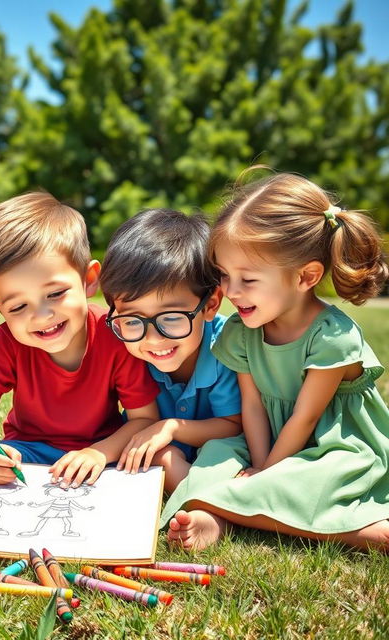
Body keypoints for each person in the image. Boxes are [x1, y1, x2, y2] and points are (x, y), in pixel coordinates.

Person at [162, 171, 389, 551]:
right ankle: (220, 515)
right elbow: (251, 405)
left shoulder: (332, 336)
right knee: (218, 453)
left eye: (248, 280)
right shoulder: (243, 331)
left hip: (331, 446)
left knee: (310, 478)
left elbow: (306, 418)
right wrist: (260, 463)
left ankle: (360, 532)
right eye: (224, 275)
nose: (231, 291)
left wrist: (265, 474)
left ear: (306, 277)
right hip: (265, 438)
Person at [0, 192, 159, 489]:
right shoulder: (9, 342)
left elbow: (144, 420)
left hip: (102, 457)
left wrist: (98, 453)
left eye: (55, 294)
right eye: (17, 307)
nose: (42, 315)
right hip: (27, 453)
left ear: (89, 280)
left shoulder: (115, 335)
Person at [98, 209, 242, 493]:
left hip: (222, 450)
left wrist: (171, 427)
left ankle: (214, 503)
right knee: (159, 457)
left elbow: (235, 425)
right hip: (161, 452)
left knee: (224, 458)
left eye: (172, 318)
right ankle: (206, 500)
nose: (152, 340)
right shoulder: (124, 349)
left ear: (211, 305)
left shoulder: (229, 347)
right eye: (131, 319)